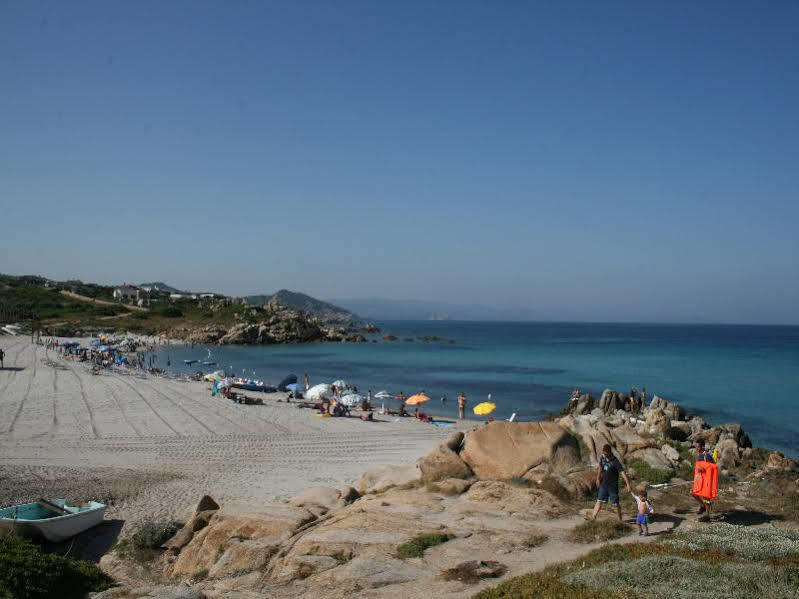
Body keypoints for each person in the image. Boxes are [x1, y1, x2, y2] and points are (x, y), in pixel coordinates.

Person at [590, 444, 632, 522]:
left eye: (606, 453)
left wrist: (628, 484)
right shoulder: (602, 458)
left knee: (615, 504)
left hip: (612, 486)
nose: (604, 455)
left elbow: (622, 473)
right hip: (604, 484)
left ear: (609, 452)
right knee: (599, 501)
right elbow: (600, 468)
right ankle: (593, 517)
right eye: (603, 453)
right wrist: (598, 478)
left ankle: (620, 520)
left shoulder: (615, 461)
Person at [693, 438, 715, 519]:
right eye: (696, 447)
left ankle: (707, 515)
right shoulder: (699, 455)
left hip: (707, 480)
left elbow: (712, 467)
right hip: (699, 479)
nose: (696, 448)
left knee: (706, 496)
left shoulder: (707, 456)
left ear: (702, 447)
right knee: (693, 493)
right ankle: (702, 506)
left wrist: (704, 470)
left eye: (698, 447)